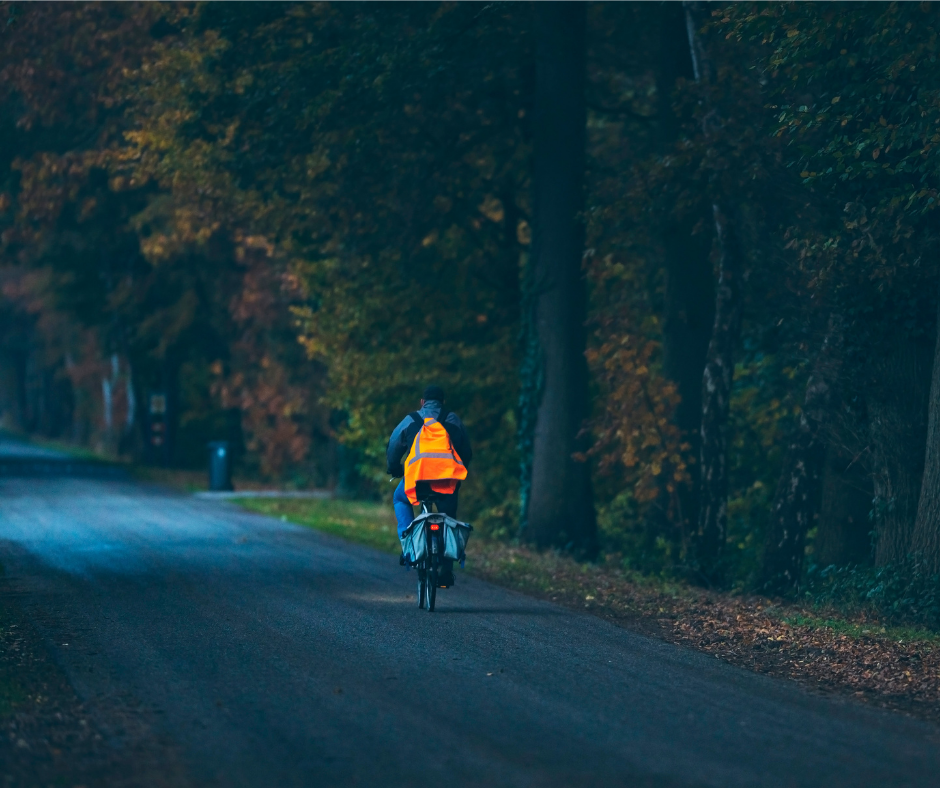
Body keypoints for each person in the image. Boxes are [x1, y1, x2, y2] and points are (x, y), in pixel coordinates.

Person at [386, 384, 472, 586]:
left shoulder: (412, 419)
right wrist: (457, 472)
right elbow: (467, 452)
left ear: (422, 402)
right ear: (443, 402)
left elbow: (393, 445)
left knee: (400, 498)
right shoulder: (452, 419)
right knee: (448, 518)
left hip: (417, 480)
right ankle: (446, 569)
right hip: (446, 481)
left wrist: (394, 467)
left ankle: (409, 549)